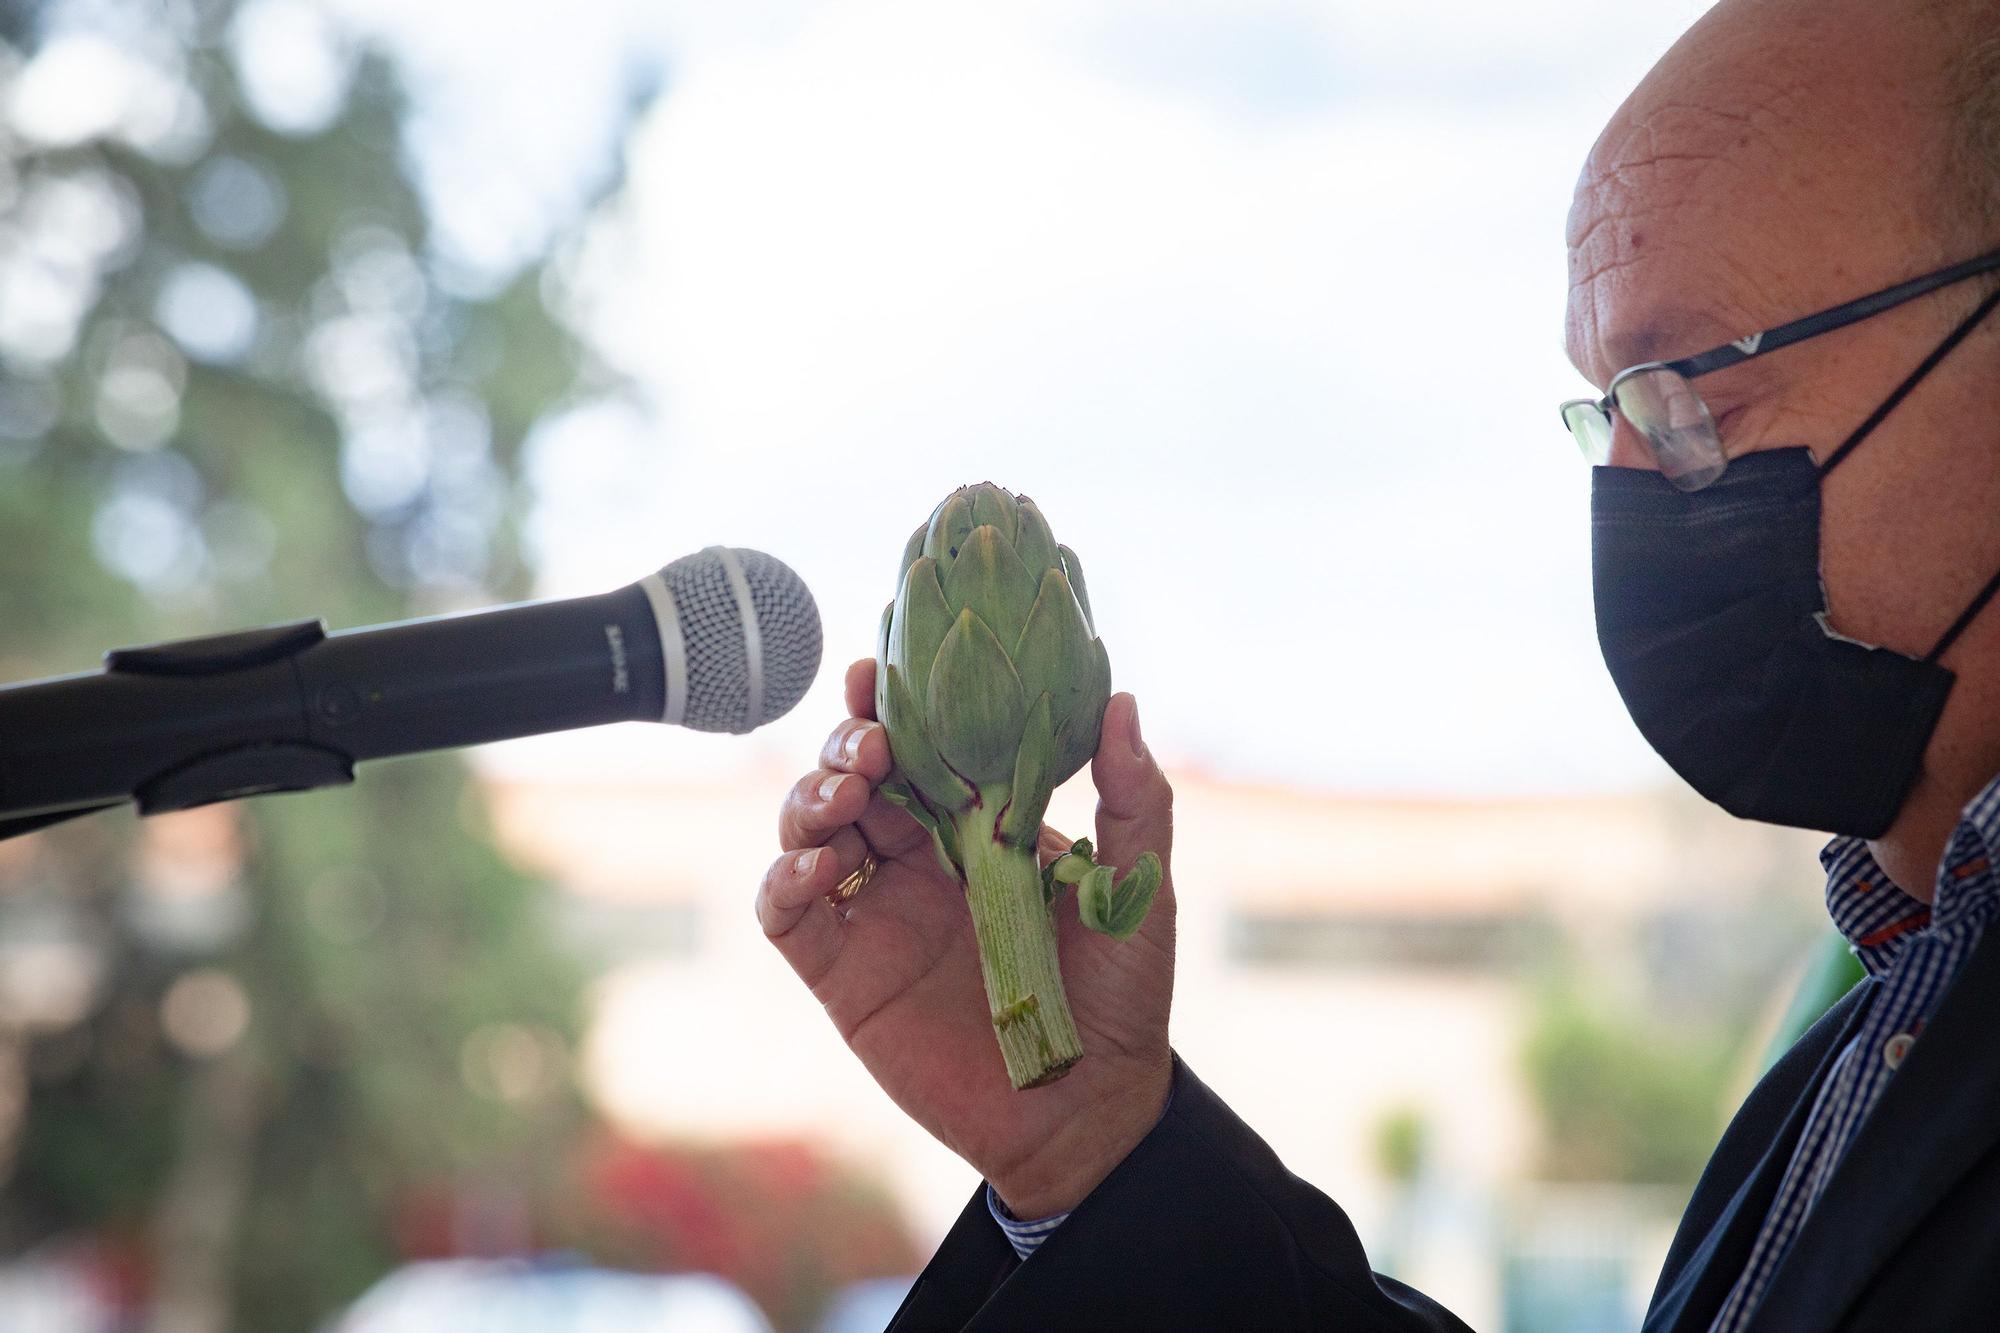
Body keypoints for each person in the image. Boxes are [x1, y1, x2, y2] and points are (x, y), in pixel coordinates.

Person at [757, 0, 2000, 1325]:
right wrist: (1098, 1155)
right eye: (1615, 411)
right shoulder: (1871, 1040)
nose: (1631, 495)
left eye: (1698, 395)